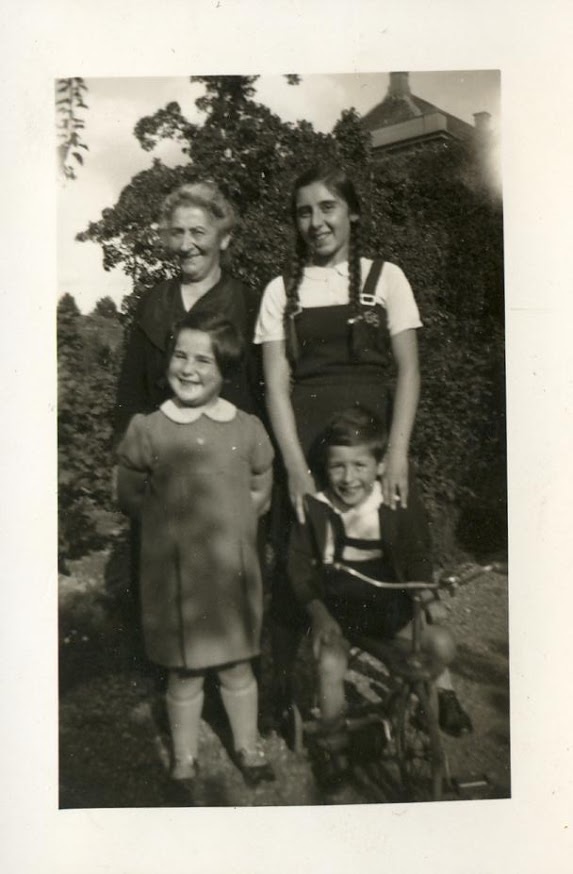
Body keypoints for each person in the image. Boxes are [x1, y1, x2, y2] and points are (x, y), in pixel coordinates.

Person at [253, 163, 424, 732]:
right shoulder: (281, 290)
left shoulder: (388, 278)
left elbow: (408, 370)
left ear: (352, 212)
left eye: (328, 207)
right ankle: (279, 684)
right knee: (297, 557)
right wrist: (297, 469)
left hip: (373, 445)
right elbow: (276, 384)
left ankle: (423, 680)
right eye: (304, 211)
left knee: (392, 545)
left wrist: (396, 454)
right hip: (306, 443)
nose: (316, 221)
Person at [116, 312, 275, 787]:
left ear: (224, 369)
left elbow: (262, 476)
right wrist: (163, 527)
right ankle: (184, 756)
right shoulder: (150, 427)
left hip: (229, 572)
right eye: (180, 356)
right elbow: (128, 489)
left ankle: (247, 745)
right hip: (174, 576)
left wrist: (246, 511)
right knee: (182, 674)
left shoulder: (245, 428)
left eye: (202, 360)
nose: (188, 368)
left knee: (236, 667)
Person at [287, 406, 472, 780]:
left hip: (388, 614)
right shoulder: (317, 508)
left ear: (379, 466)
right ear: (325, 468)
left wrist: (426, 596)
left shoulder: (391, 505)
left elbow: (415, 552)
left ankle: (404, 704)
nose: (349, 477)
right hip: (339, 617)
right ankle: (335, 744)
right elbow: (299, 566)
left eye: (360, 466)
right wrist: (319, 615)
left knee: (441, 644)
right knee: (330, 664)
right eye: (338, 466)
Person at [115, 178, 257, 441]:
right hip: (160, 455)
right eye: (177, 232)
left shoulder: (249, 305)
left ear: (224, 238)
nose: (185, 245)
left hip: (227, 455)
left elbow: (261, 395)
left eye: (198, 232)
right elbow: (131, 392)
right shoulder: (153, 302)